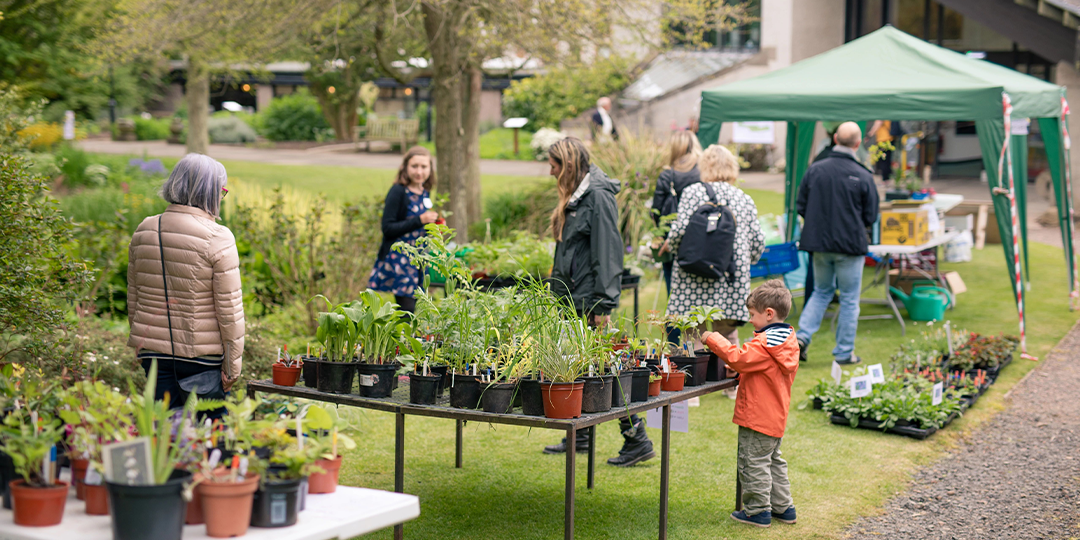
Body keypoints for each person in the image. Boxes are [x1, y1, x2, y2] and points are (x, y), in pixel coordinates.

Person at [542, 137, 654, 467]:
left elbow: (608, 253)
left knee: (606, 367)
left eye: (554, 165)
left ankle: (637, 439)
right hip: (573, 296)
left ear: (570, 166)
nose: (550, 171)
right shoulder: (578, 196)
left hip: (589, 300)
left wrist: (603, 305)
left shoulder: (598, 197)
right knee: (583, 365)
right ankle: (582, 436)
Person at [127, 153, 243, 412]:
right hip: (202, 360)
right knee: (209, 438)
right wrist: (232, 366)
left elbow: (133, 297)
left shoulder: (144, 230)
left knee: (164, 437)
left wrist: (142, 342)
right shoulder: (219, 237)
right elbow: (229, 311)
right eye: (221, 191)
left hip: (153, 355)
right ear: (210, 192)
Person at [701, 279, 800, 528]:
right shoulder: (786, 342)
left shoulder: (764, 345)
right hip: (774, 416)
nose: (750, 320)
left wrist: (713, 338)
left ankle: (758, 511)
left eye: (752, 315)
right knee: (773, 461)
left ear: (769, 313)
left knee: (752, 462)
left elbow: (738, 357)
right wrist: (743, 374)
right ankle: (783, 507)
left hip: (756, 417)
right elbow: (764, 372)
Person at [666, 144, 765, 351]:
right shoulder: (744, 199)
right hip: (730, 279)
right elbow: (757, 244)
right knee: (727, 338)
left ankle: (694, 381)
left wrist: (672, 248)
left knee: (692, 337)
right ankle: (730, 384)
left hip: (692, 279)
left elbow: (677, 234)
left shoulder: (692, 193)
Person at [795, 122, 878, 365]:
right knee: (850, 298)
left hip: (820, 244)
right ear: (857, 143)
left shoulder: (815, 170)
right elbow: (871, 216)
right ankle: (843, 352)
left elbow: (801, 205)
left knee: (821, 292)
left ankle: (802, 338)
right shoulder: (863, 174)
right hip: (850, 245)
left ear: (834, 139)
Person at [370, 146, 439, 314]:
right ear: (405, 168)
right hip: (400, 259)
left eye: (424, 167)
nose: (419, 171)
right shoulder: (398, 191)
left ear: (430, 169)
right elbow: (387, 228)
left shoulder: (425, 192)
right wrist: (419, 220)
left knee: (414, 308)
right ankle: (402, 340)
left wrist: (432, 228)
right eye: (414, 166)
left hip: (419, 258)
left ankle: (407, 340)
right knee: (406, 310)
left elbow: (418, 227)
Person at [651, 130, 703, 344]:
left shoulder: (668, 175)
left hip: (671, 246)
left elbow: (655, 211)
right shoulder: (702, 172)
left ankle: (673, 349)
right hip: (699, 244)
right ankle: (699, 346)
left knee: (674, 298)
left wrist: (661, 236)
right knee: (699, 298)